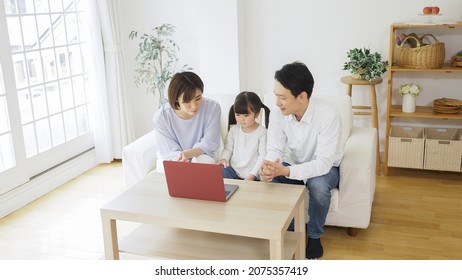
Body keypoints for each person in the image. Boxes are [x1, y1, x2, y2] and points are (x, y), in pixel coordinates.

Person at [259, 61, 343, 259]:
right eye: (275, 95)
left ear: (302, 97)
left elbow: (323, 162)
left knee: (318, 186)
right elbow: (274, 148)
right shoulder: (280, 113)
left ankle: (314, 235)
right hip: (294, 162)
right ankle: (289, 231)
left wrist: (287, 171)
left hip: (325, 167)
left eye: (282, 97)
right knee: (268, 183)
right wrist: (270, 166)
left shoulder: (328, 115)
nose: (277, 102)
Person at [153, 71, 221, 171]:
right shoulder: (162, 117)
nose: (194, 106)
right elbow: (169, 150)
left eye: (198, 98)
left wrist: (188, 154)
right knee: (166, 169)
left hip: (203, 154)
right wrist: (181, 159)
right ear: (176, 99)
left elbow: (209, 143)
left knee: (200, 162)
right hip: (174, 157)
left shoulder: (213, 108)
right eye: (187, 101)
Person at [218, 91, 270, 181]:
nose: (241, 119)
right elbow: (228, 149)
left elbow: (263, 156)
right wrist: (223, 159)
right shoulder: (234, 129)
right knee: (220, 170)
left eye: (246, 115)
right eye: (238, 115)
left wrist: (252, 175)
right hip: (234, 173)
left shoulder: (262, 132)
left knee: (264, 176)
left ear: (256, 114)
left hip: (253, 175)